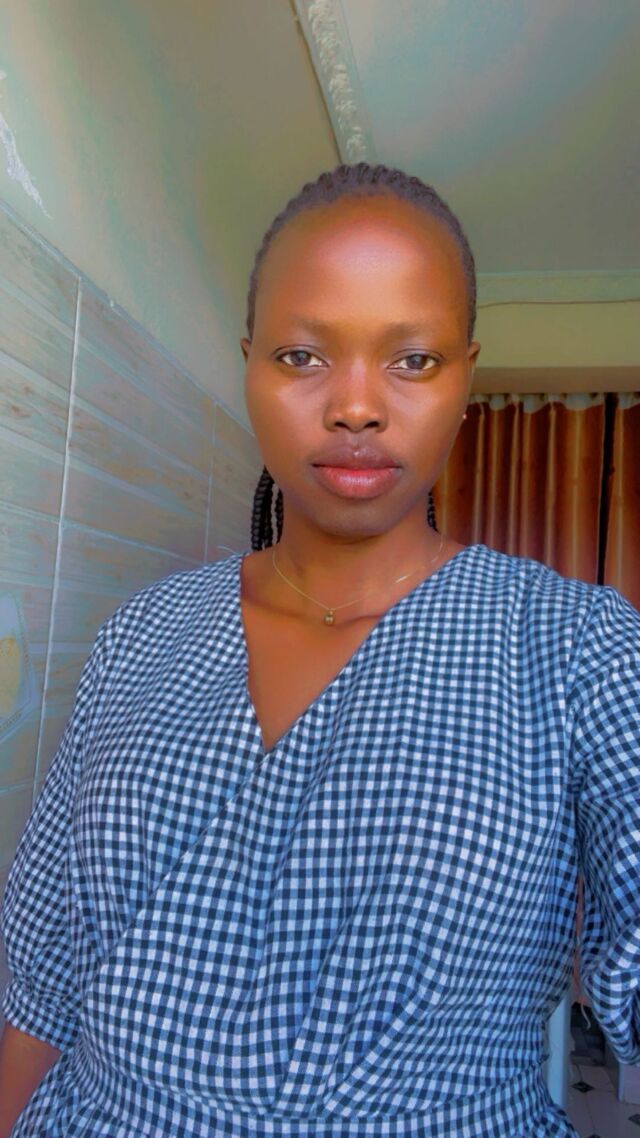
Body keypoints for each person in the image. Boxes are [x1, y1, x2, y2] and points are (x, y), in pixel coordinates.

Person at [0, 162, 638, 1138]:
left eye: (411, 360)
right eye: (303, 356)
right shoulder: (142, 631)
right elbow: (40, 979)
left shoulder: (577, 648)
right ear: (249, 363)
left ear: (465, 375)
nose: (355, 406)